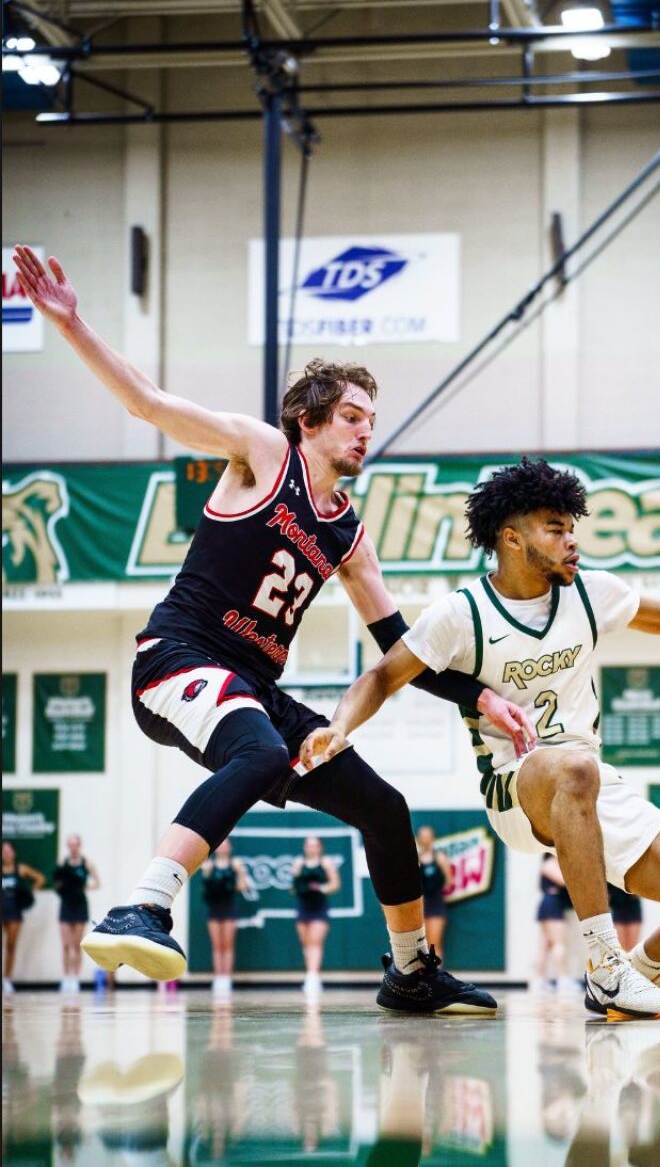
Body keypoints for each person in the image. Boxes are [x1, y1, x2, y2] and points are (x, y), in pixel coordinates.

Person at [13, 244, 535, 1017]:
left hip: (252, 685)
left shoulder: (349, 534)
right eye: (352, 418)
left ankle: (410, 969)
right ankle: (142, 905)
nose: (365, 433)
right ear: (309, 420)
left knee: (384, 807)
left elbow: (397, 650)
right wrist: (72, 323)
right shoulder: (262, 453)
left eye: (370, 421)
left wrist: (478, 696)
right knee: (258, 749)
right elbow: (147, 403)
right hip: (176, 660)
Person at [301, 457, 660, 1021]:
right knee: (575, 767)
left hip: (590, 783)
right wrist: (337, 727)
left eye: (571, 527)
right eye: (555, 528)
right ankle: (604, 968)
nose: (571, 540)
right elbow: (382, 675)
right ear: (511, 538)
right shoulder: (463, 614)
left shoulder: (590, 593)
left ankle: (642, 966)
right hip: (516, 787)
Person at [200, 838, 251, 997]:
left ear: (230, 847)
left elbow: (243, 886)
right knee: (217, 944)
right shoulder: (209, 865)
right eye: (220, 845)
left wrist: (239, 876)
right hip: (214, 908)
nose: (222, 848)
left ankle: (226, 977)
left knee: (227, 944)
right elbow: (205, 890)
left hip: (229, 908)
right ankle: (218, 976)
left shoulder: (235, 864)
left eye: (225, 845)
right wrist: (208, 875)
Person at [291, 836, 340, 997]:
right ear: (305, 847)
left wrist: (320, 888)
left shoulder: (326, 863)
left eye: (315, 845)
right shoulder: (298, 863)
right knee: (306, 944)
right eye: (309, 845)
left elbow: (335, 884)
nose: (312, 848)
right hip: (303, 907)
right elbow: (293, 887)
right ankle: (313, 974)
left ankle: (312, 978)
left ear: (320, 847)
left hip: (319, 908)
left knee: (315, 943)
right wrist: (301, 887)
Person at [53, 834, 101, 994]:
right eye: (70, 845)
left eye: (76, 845)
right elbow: (57, 882)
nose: (73, 848)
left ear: (79, 846)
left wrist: (83, 888)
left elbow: (97, 883)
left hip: (80, 905)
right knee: (65, 944)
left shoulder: (86, 863)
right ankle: (66, 977)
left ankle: (75, 978)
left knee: (76, 944)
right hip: (66, 905)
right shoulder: (63, 863)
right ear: (68, 846)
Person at [2, 841, 45, 994]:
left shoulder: (20, 869)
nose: (6, 854)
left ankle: (7, 979)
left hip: (14, 911)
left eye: (8, 851)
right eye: (3, 851)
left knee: (11, 945)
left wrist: (29, 893)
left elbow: (40, 878)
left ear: (13, 853)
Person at [533, 852, 579, 995]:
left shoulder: (555, 864)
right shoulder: (549, 865)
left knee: (545, 945)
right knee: (558, 944)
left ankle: (539, 981)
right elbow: (564, 881)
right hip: (551, 905)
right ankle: (563, 980)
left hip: (554, 905)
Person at [415, 827, 453, 961]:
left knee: (434, 944)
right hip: (420, 905)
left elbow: (449, 880)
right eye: (423, 837)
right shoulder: (415, 860)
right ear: (419, 839)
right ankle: (421, 978)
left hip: (436, 904)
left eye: (428, 836)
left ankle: (436, 978)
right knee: (421, 946)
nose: (425, 840)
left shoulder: (440, 858)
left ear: (432, 838)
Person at [608, 883, 643, 953]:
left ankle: (630, 962)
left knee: (632, 947)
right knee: (620, 946)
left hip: (632, 906)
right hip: (617, 906)